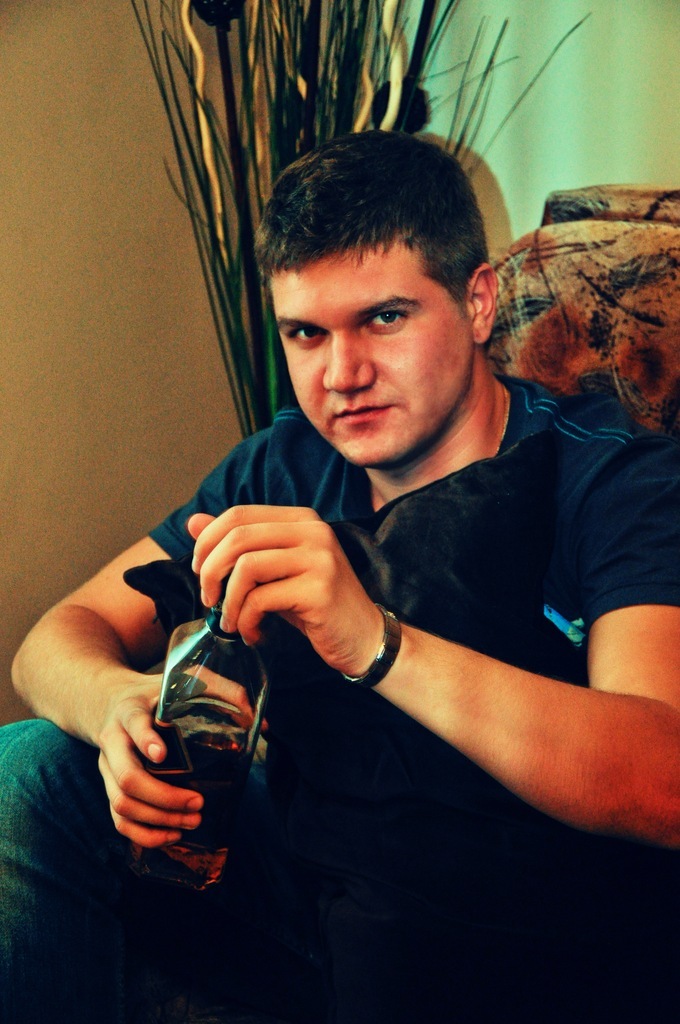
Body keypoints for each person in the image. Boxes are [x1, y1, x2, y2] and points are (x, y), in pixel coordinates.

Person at [2, 129, 679, 1024]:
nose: (341, 375)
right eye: (306, 333)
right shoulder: (280, 466)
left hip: (523, 919)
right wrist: (115, 708)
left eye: (384, 319)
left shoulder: (614, 476)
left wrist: (376, 643)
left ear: (478, 302)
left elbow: (664, 780)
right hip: (310, 881)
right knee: (29, 767)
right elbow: (54, 640)